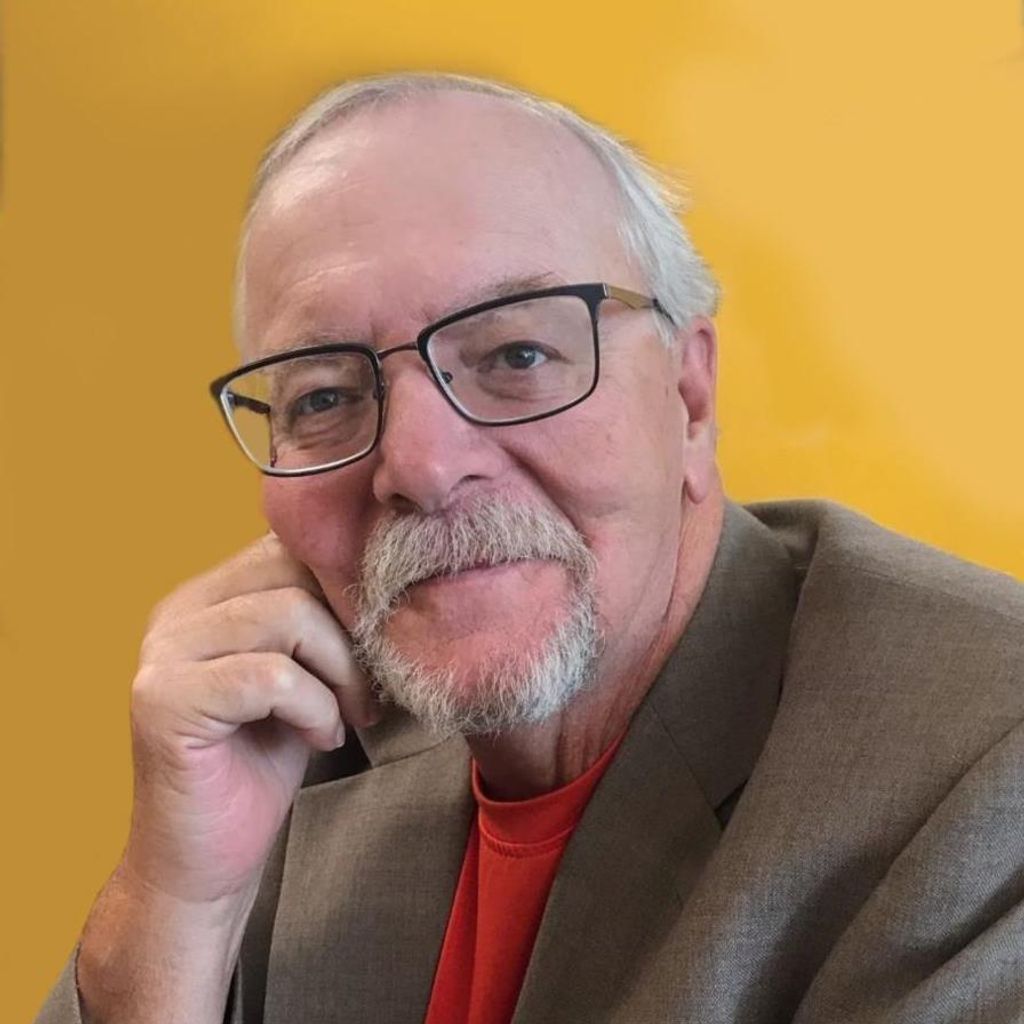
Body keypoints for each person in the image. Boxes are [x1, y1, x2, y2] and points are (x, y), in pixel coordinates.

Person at [37, 73, 1024, 1024]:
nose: (420, 466)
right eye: (326, 396)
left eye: (517, 355)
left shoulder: (983, 768)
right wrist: (175, 903)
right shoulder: (291, 740)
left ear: (688, 400)